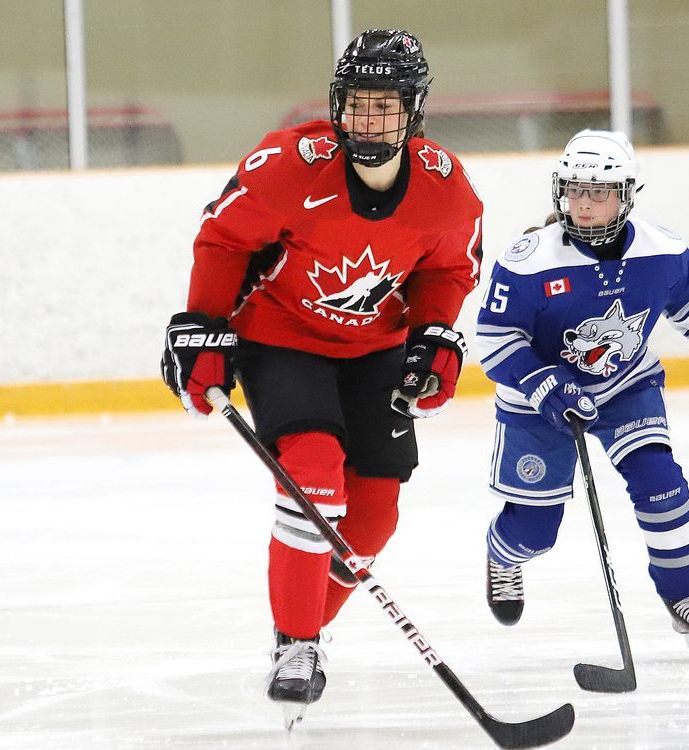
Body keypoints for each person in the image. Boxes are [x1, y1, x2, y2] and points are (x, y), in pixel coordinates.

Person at [160, 28, 483, 714]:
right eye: (359, 105)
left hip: (376, 351)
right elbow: (222, 238)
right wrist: (200, 326)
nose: (370, 121)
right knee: (312, 470)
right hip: (283, 338)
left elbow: (449, 269)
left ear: (414, 110)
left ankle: (305, 611)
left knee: (375, 513)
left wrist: (433, 336)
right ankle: (297, 642)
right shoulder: (287, 166)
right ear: (338, 106)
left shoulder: (447, 192)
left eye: (386, 106)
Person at [475, 129, 689, 660]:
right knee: (535, 531)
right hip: (537, 403)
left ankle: (684, 598)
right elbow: (496, 342)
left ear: (626, 194)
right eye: (574, 190)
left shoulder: (661, 251)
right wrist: (543, 383)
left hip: (625, 386)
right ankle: (503, 557)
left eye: (599, 192)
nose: (585, 203)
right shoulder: (527, 259)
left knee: (662, 485)